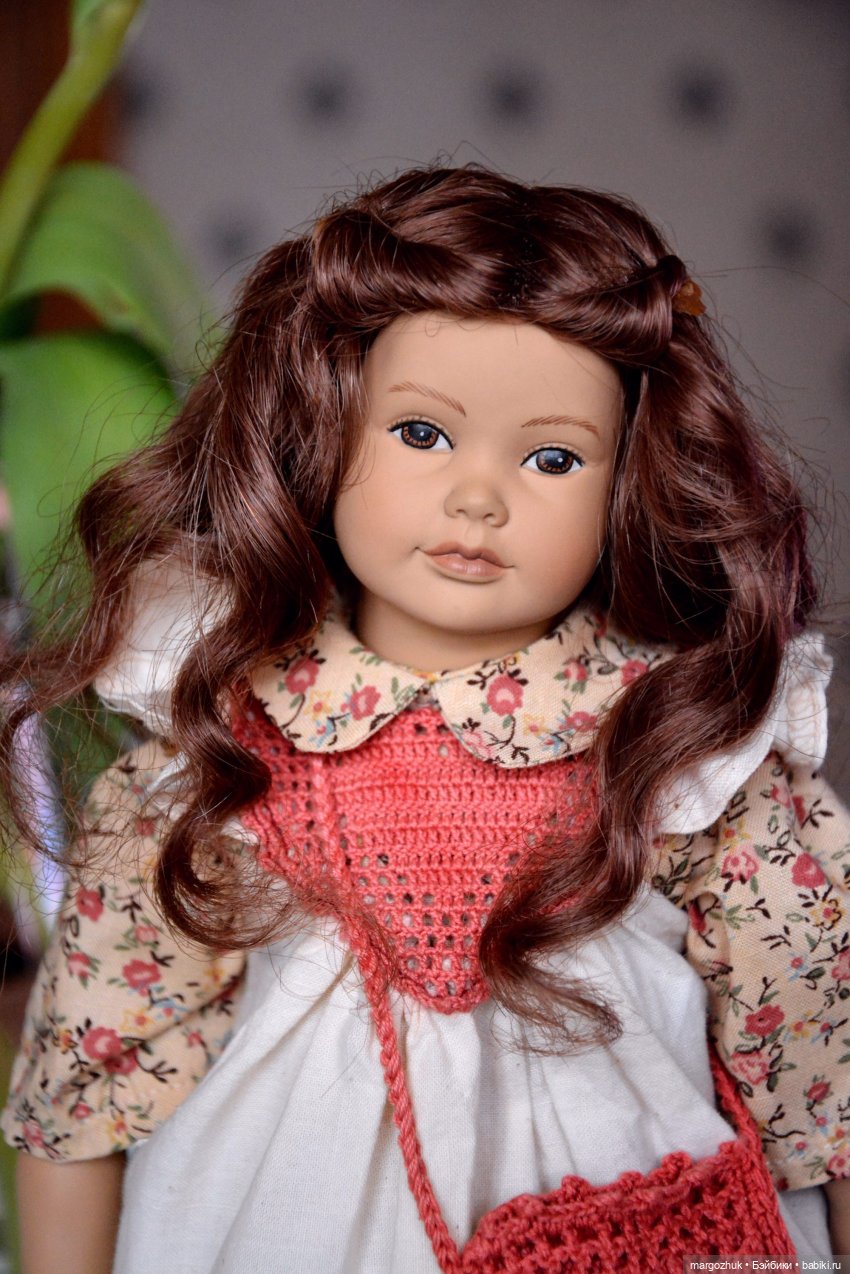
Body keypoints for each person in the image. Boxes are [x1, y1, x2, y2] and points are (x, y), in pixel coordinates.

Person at [2, 166, 848, 1274]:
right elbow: (90, 1075)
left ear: (627, 482)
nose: (478, 497)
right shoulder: (223, 746)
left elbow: (821, 1063)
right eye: (420, 432)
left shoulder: (680, 750)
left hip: (637, 1227)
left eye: (552, 457)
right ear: (325, 426)